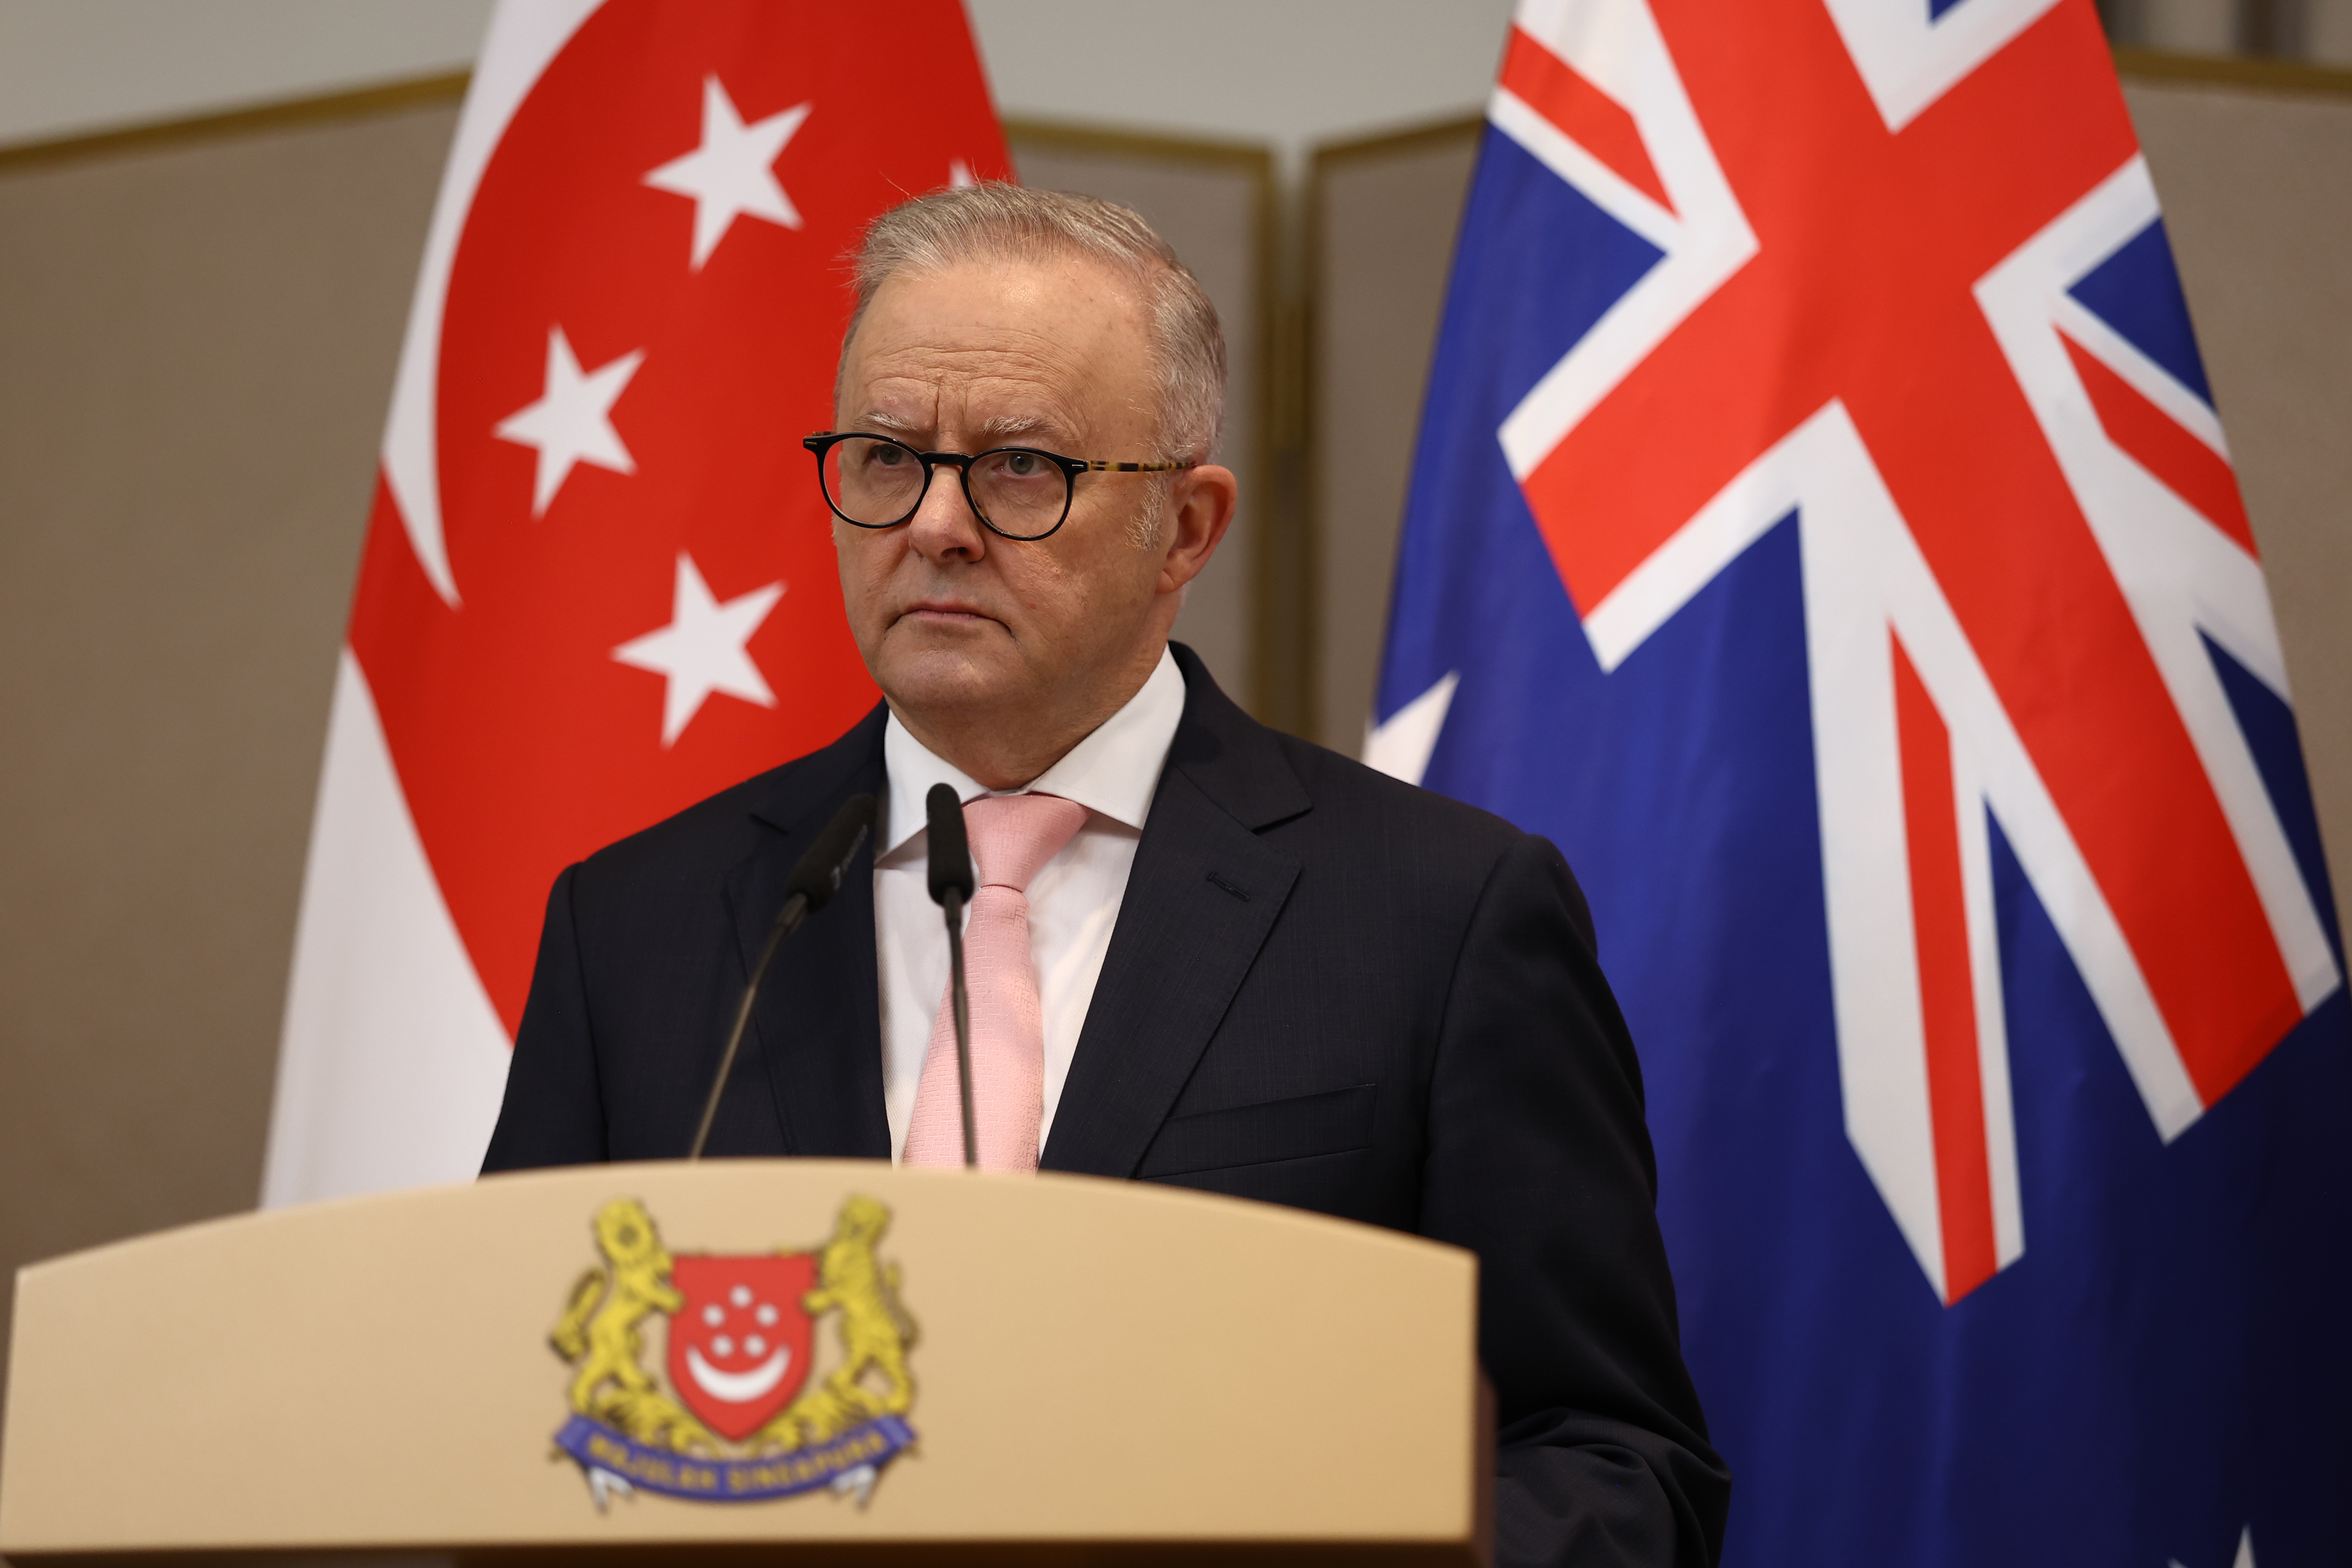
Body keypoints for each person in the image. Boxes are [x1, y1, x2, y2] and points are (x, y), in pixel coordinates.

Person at [483, 184, 1730, 1566]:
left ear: (1186, 530)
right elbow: (512, 1431)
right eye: (888, 456)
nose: (938, 523)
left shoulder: (1440, 918)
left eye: (1022, 466)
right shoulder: (645, 926)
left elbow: (1615, 1465)